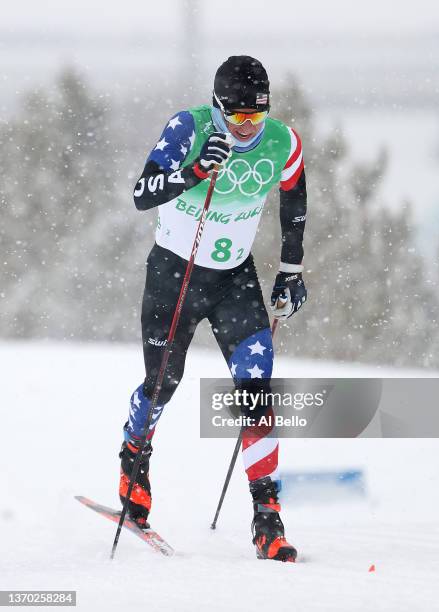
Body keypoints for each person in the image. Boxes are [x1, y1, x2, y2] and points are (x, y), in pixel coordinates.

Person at [119, 56, 308, 562]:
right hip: (173, 275)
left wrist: (291, 269)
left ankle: (267, 516)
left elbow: (294, 201)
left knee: (256, 389)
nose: (248, 127)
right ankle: (134, 458)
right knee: (162, 386)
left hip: (233, 280)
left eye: (257, 117)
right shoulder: (189, 127)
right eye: (238, 117)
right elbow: (142, 193)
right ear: (218, 108)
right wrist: (195, 170)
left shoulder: (281, 141)